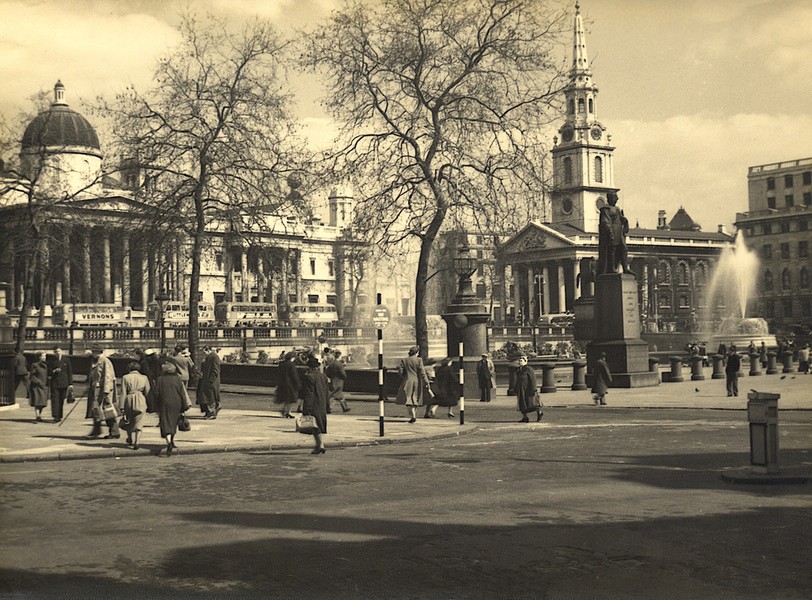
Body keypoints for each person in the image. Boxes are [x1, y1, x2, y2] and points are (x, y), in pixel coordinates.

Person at [154, 362, 188, 457]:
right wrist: (184, 406)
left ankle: (169, 442)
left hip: (165, 402)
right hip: (177, 402)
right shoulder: (177, 379)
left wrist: (156, 405)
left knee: (165, 422)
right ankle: (172, 441)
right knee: (174, 422)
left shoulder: (160, 379)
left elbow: (156, 393)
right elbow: (182, 393)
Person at [86, 345, 120, 439]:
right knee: (96, 410)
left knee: (107, 411)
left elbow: (108, 377)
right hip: (96, 389)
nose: (92, 354)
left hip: (103, 390)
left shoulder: (105, 361)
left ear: (98, 352)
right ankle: (96, 430)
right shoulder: (95, 361)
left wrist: (106, 391)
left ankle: (114, 432)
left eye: (93, 352)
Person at [395, 345, 433, 423]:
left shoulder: (404, 360)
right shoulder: (419, 360)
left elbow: (400, 372)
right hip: (417, 381)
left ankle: (413, 416)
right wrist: (427, 382)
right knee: (415, 398)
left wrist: (405, 377)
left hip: (407, 381)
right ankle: (413, 415)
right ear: (417, 352)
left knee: (408, 398)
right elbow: (423, 373)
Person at [301, 355, 329, 454]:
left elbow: (308, 393)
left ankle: (320, 445)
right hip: (322, 403)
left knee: (314, 424)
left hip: (312, 403)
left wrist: (306, 407)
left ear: (310, 367)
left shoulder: (308, 377)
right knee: (318, 424)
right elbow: (326, 392)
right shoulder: (323, 376)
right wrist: (327, 405)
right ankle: (320, 445)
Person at [121, 362, 151, 450]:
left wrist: (121, 406)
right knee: (139, 420)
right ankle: (137, 441)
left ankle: (130, 438)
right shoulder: (144, 377)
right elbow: (147, 391)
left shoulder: (125, 377)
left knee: (128, 419)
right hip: (140, 399)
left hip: (129, 398)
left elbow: (123, 392)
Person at [48, 345, 73, 423]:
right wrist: (53, 371)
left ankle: (60, 415)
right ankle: (56, 416)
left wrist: (70, 383)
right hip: (55, 382)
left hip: (64, 383)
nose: (57, 353)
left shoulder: (66, 360)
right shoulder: (51, 360)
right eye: (55, 352)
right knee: (55, 400)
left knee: (61, 400)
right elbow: (48, 371)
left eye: (58, 351)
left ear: (62, 351)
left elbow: (69, 372)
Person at [515, 355, 543, 422]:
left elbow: (533, 379)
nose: (519, 362)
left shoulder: (529, 369)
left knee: (532, 403)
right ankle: (525, 417)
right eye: (519, 361)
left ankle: (539, 413)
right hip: (521, 390)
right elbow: (517, 380)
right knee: (522, 403)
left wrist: (534, 388)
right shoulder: (519, 369)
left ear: (525, 361)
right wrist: (516, 388)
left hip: (528, 389)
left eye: (521, 361)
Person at [196, 345, 221, 419]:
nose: (203, 354)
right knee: (207, 396)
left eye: (204, 352)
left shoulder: (214, 357)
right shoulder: (209, 357)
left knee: (210, 397)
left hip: (211, 381)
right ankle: (209, 412)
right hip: (207, 380)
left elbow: (215, 370)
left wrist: (211, 380)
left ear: (208, 350)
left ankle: (211, 412)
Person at [275, 351, 300, 418]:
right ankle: (288, 412)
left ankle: (285, 410)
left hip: (283, 383)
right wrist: (297, 383)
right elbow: (294, 375)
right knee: (291, 399)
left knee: (287, 398)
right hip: (290, 384)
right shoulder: (291, 365)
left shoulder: (282, 364)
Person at [28, 352, 49, 422]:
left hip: (44, 385)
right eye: (43, 356)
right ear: (39, 357)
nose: (44, 357)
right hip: (37, 386)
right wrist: (38, 382)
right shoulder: (34, 365)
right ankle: (37, 416)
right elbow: (32, 376)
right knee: (37, 401)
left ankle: (39, 415)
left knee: (43, 402)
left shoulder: (46, 365)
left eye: (45, 356)